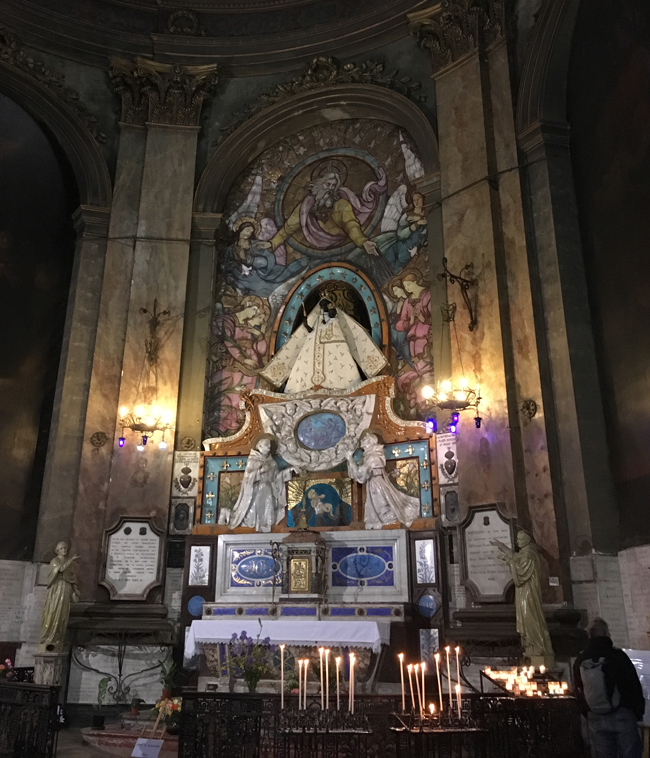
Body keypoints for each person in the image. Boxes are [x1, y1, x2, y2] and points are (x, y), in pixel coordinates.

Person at [259, 297, 387, 393]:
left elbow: (353, 336)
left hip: (337, 348)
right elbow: (308, 332)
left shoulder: (336, 320)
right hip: (312, 347)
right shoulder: (316, 320)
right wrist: (306, 324)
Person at [574, 617, 645, 758]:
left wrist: (588, 712)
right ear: (606, 633)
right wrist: (637, 712)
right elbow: (633, 685)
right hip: (623, 714)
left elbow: (578, 689)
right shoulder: (618, 656)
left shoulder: (581, 660)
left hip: (596, 716)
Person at [491, 530, 554, 660]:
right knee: (527, 619)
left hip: (528, 593)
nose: (518, 541)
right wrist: (501, 546)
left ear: (527, 539)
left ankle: (538, 647)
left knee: (531, 618)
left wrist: (508, 560)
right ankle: (532, 649)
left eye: (520, 539)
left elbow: (520, 573)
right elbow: (516, 557)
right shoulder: (526, 553)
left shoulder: (529, 555)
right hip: (524, 592)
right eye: (517, 539)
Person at [346, 432, 420, 529]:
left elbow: (361, 475)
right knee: (378, 509)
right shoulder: (370, 456)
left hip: (377, 485)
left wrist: (350, 460)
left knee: (381, 509)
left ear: (370, 442)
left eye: (364, 441)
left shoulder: (373, 457)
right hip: (374, 483)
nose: (362, 444)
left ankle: (396, 517)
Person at [227, 436, 297, 532]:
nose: (268, 446)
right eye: (266, 444)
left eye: (269, 444)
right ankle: (256, 522)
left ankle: (265, 523)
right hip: (256, 490)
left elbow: (277, 478)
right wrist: (260, 471)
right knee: (263, 488)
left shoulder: (272, 463)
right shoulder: (253, 460)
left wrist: (289, 470)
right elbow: (247, 477)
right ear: (259, 446)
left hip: (269, 489)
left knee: (267, 490)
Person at [39, 541, 80, 652]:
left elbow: (72, 577)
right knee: (53, 611)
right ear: (57, 550)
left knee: (62, 613)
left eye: (65, 548)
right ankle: (48, 636)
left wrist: (75, 590)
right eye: (61, 548)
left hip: (66, 588)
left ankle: (58, 636)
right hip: (57, 589)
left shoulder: (68, 562)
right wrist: (71, 560)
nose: (64, 550)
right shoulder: (55, 561)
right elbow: (60, 569)